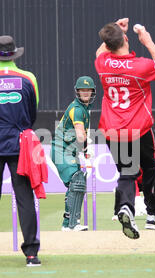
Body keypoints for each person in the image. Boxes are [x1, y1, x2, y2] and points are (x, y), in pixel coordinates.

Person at [95, 18, 155, 239]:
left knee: (127, 173)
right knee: (150, 169)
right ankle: (153, 215)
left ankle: (126, 207)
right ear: (126, 40)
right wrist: (147, 41)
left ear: (108, 45)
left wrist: (116, 29)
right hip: (140, 130)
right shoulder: (141, 66)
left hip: (113, 131)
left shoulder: (102, 63)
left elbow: (101, 50)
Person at [0, 35, 41, 267]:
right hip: (19, 145)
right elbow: (32, 114)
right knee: (24, 197)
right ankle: (32, 254)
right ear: (15, 54)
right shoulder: (28, 78)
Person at [51, 76, 96, 231]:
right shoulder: (77, 109)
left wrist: (83, 149)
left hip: (70, 151)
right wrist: (85, 148)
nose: (85, 92)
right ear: (77, 91)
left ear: (92, 92)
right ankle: (72, 223)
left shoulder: (84, 109)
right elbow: (80, 134)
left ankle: (67, 224)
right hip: (61, 150)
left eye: (88, 89)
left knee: (76, 185)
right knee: (77, 182)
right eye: (82, 90)